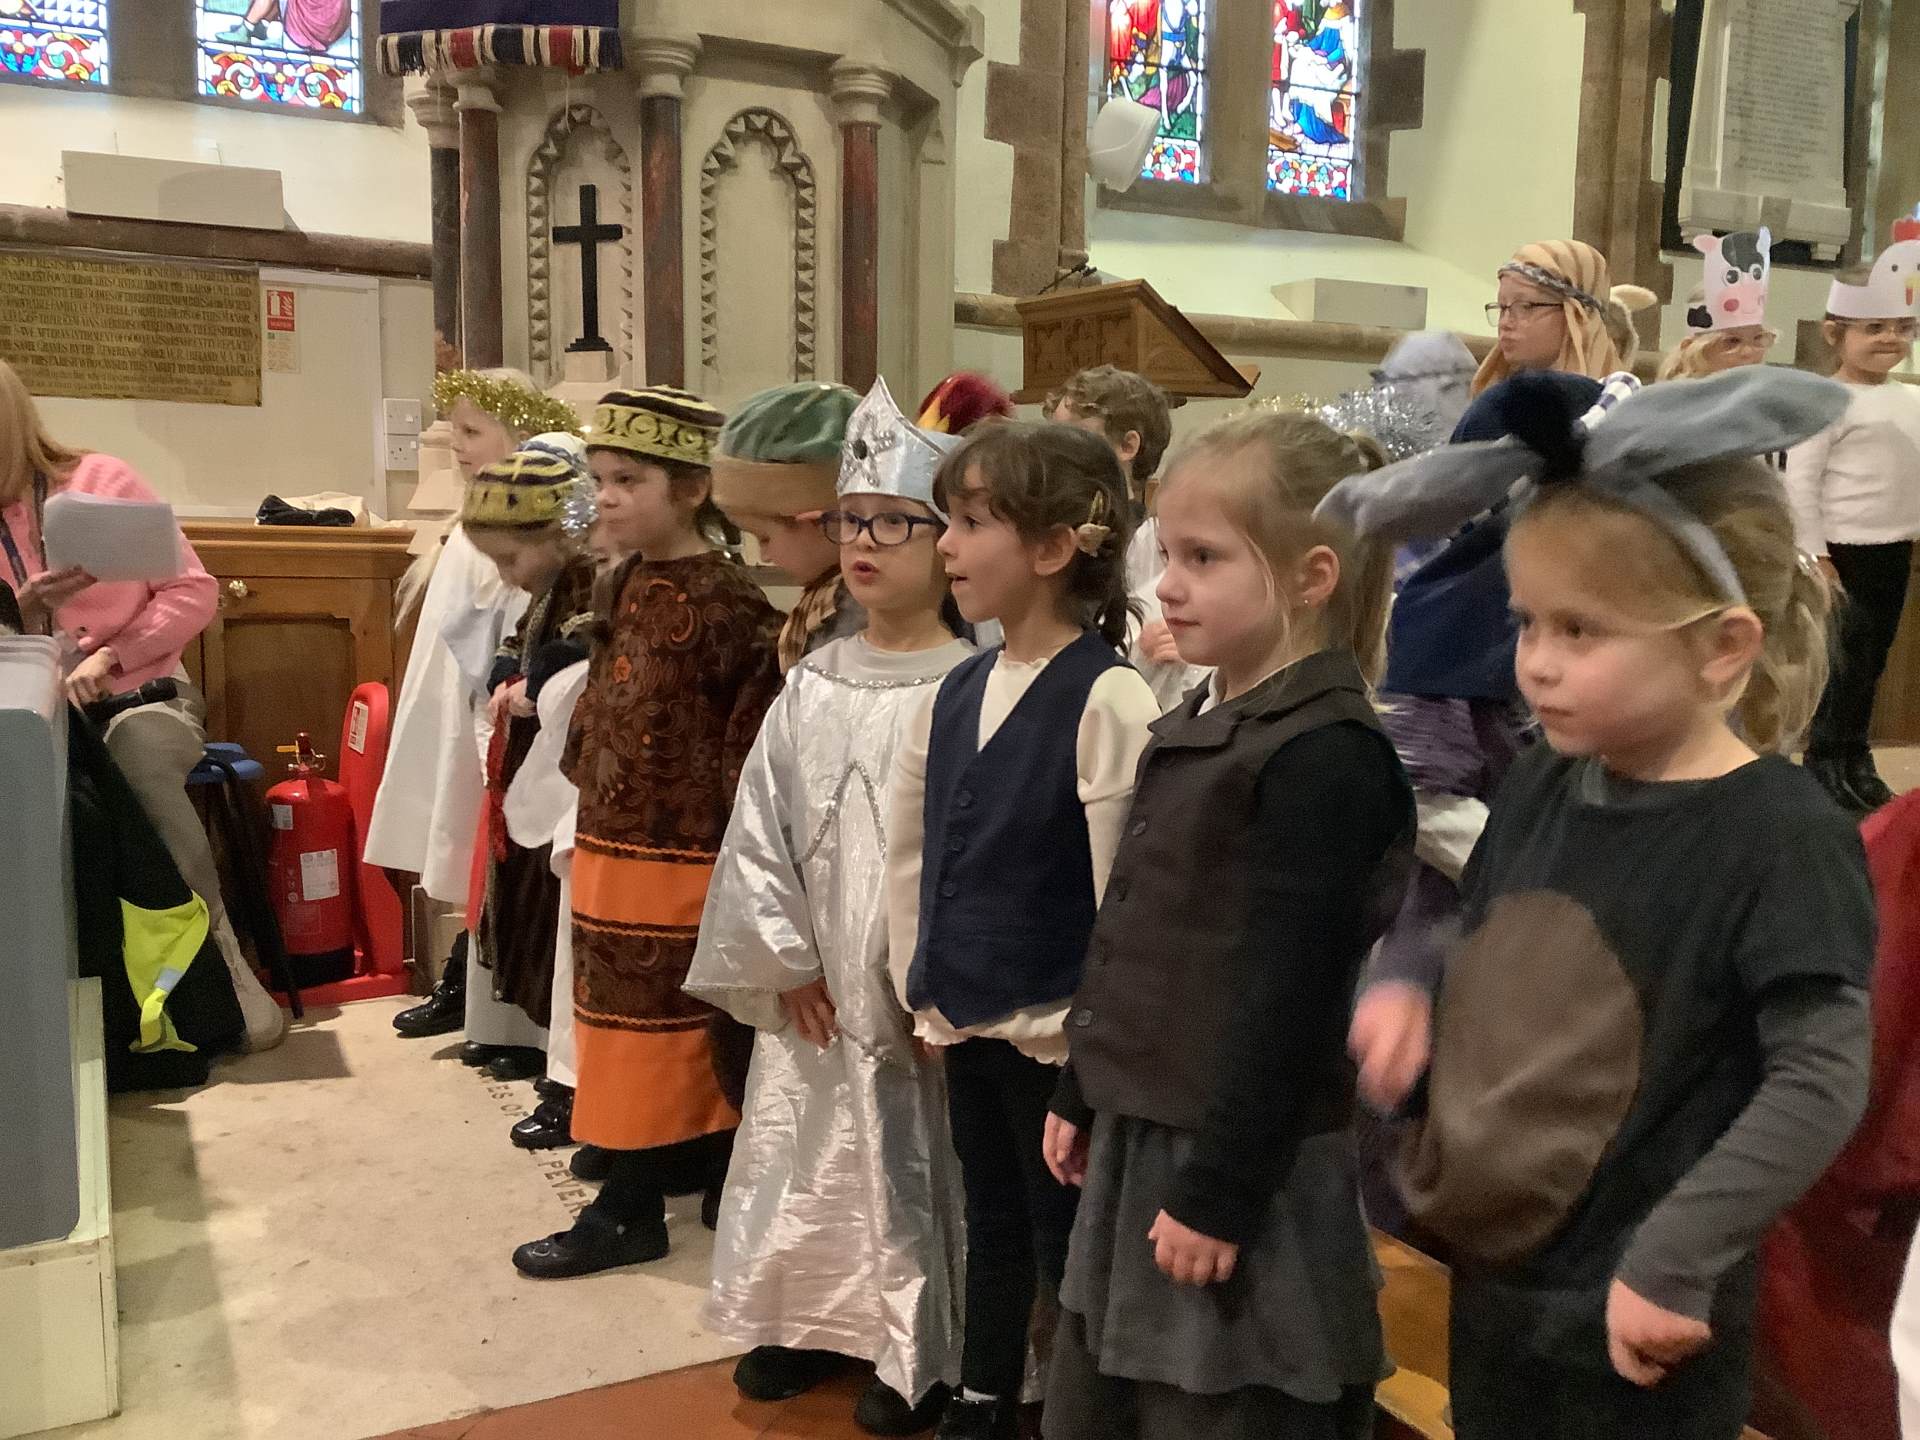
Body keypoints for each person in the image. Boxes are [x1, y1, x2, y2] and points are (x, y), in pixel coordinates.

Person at [1332, 367, 1875, 1440]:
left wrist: (1677, 1258)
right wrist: (1411, 983)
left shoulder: (1779, 835)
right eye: (1528, 624)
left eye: (1581, 632)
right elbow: (1474, 928)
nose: (1534, 665)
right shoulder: (1543, 778)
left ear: (1721, 647)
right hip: (1504, 1280)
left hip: (1639, 1312)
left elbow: (1819, 1080)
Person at [1040, 408, 1413, 1440]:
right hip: (1150, 1129)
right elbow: (1141, 932)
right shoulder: (1208, 718)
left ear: (1311, 576)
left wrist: (1222, 1192)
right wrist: (1086, 1082)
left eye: (1203, 558)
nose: (1167, 584)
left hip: (1242, 1158)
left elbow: (1291, 999)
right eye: (1167, 553)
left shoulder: (1324, 756)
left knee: (1216, 1405)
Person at [686, 378, 972, 1437]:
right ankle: (801, 1313)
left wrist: (944, 978)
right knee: (804, 1141)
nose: (863, 544)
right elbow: (760, 827)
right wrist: (784, 958)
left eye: (894, 523)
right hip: (814, 982)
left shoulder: (974, 684)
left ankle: (917, 1343)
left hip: (915, 980)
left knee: (914, 1151)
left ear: (948, 541)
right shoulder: (813, 680)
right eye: (850, 521)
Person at [886, 422, 1160, 1440]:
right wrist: (918, 982)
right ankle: (985, 1389)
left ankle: (1081, 1412)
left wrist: (1094, 1048)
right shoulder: (957, 688)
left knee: (1065, 1236)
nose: (946, 546)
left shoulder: (1109, 696)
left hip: (1054, 1027)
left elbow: (1122, 898)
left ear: (1052, 548)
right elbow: (913, 856)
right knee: (989, 1213)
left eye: (970, 523)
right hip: (967, 1013)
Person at [511, 386, 782, 1279]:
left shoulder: (731, 604)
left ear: (693, 489)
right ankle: (664, 1158)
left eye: (628, 480)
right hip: (614, 839)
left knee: (663, 1028)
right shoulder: (623, 580)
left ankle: (630, 1210)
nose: (608, 497)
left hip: (682, 854)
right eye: (600, 479)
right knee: (614, 1021)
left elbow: (746, 741)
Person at [0, 358, 283, 1052]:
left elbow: (193, 591)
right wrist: (21, 612)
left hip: (141, 694)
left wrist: (112, 655)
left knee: (138, 761)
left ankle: (221, 966)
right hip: (34, 715)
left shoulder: (100, 482)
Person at [371, 368, 577, 1070]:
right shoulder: (479, 521)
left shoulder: (545, 511)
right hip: (476, 703)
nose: (456, 445)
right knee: (477, 858)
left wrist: (512, 678)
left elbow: (524, 619)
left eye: (471, 431)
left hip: (512, 717)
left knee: (501, 860)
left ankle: (506, 1009)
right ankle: (477, 986)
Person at [455, 433, 600, 1144]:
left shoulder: (586, 580)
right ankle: (537, 1043)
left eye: (511, 559)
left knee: (551, 916)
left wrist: (534, 684)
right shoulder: (546, 587)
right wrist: (508, 670)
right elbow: (522, 642)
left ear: (557, 536)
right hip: (528, 763)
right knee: (524, 904)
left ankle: (561, 1061)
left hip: (563, 779)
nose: (506, 576)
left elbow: (580, 650)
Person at [1785, 245, 1920, 813]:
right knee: (1840, 662)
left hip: (1894, 550)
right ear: (1834, 333)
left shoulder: (1911, 398)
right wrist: (1815, 555)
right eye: (1874, 328)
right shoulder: (1826, 400)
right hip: (1840, 554)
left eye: (1903, 328)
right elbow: (1800, 482)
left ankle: (1855, 757)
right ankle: (1824, 761)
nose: (1891, 339)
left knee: (1873, 661)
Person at [1042, 366, 1192, 711]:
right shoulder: (1053, 532)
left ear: (1128, 445)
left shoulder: (1158, 539)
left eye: (1074, 437)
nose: (1055, 455)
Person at [710, 382, 864, 671]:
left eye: (764, 538)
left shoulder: (856, 610)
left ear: (818, 520)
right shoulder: (824, 597)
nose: (765, 556)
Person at [1658, 229, 1778, 382]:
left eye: (1758, 338)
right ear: (1692, 350)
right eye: (1732, 341)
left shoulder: (1770, 393)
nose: (1749, 352)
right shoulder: (1673, 396)